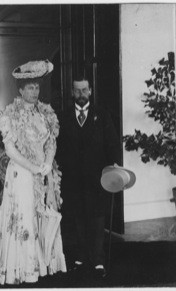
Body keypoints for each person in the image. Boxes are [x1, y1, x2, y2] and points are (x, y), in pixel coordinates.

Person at [0, 60, 66, 284]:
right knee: (26, 218)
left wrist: (48, 165)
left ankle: (43, 263)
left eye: (37, 87)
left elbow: (51, 142)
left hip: (44, 171)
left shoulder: (46, 113)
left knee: (44, 214)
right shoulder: (10, 115)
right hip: (22, 173)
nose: (34, 92)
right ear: (20, 90)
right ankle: (25, 268)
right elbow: (11, 150)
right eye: (29, 88)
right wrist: (34, 169)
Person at [56, 76, 120, 279]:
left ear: (90, 91)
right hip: (73, 179)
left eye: (84, 90)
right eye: (77, 90)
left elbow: (112, 143)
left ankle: (98, 260)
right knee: (79, 219)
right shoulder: (64, 116)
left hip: (97, 178)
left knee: (97, 219)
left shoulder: (102, 114)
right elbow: (59, 148)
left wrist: (115, 165)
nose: (81, 94)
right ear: (72, 93)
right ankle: (82, 256)